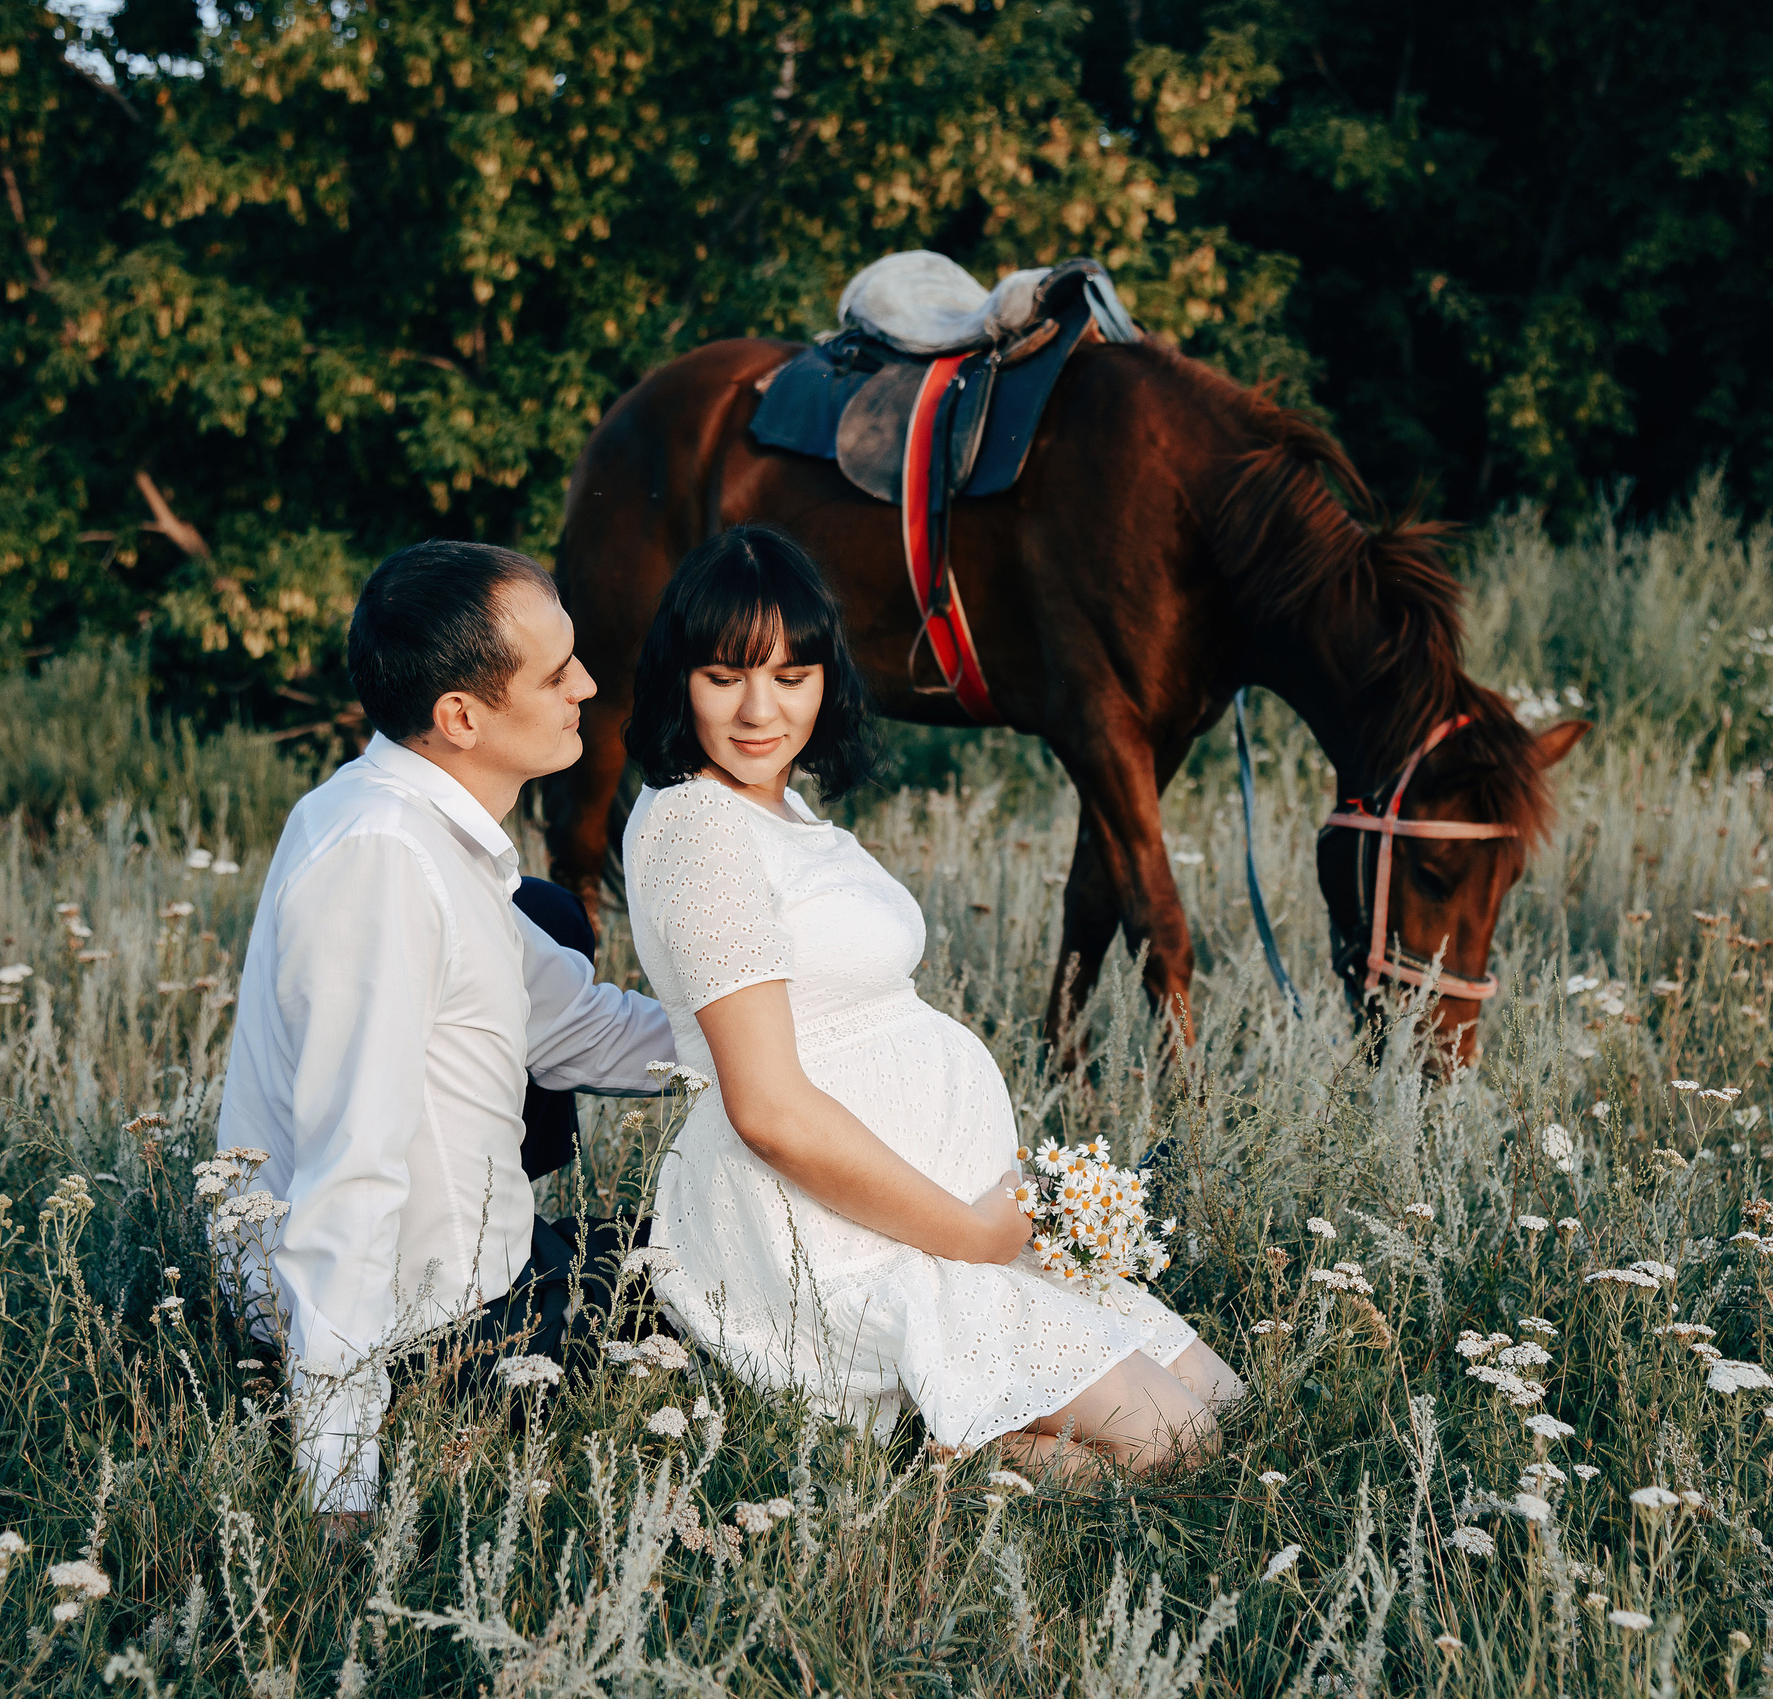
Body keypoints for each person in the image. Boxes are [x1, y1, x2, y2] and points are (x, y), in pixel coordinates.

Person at [621, 526, 1242, 1476]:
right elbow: (770, 1109)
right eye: (724, 675)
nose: (759, 710)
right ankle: (915, 1462)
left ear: (827, 678)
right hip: (826, 1233)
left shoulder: (780, 809)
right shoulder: (700, 827)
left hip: (933, 1212)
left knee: (1218, 1399)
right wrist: (977, 1233)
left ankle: (943, 1430)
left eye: (791, 677)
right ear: (679, 679)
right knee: (1176, 1442)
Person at [216, 540, 679, 1524]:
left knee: (726, 1250)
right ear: (460, 715)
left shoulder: (416, 824)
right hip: (421, 1333)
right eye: (556, 674)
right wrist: (341, 1485)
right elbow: (348, 1174)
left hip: (477, 1265)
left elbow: (579, 1025)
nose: (589, 685)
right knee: (763, 1314)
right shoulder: (377, 864)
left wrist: (778, 1053)